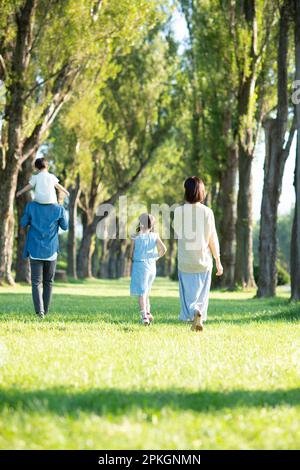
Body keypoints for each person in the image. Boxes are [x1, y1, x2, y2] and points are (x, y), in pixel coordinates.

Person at [173, 176, 223, 332]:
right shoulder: (207, 212)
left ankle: (195, 312)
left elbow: (177, 233)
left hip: (185, 261)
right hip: (204, 261)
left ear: (186, 192)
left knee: (187, 295)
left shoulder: (178, 211)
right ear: (202, 192)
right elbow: (212, 238)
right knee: (202, 294)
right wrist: (218, 260)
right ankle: (199, 312)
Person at [21, 200, 68, 318]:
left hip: (35, 249)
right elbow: (65, 226)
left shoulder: (31, 206)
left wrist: (29, 216)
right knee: (48, 282)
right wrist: (62, 213)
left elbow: (23, 223)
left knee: (36, 282)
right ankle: (45, 311)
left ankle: (40, 312)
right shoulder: (59, 209)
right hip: (51, 250)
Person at [130, 213, 167, 325]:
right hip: (151, 267)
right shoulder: (155, 236)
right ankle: (148, 312)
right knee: (147, 291)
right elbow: (164, 249)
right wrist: (155, 257)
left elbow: (131, 252)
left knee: (141, 292)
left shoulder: (135, 236)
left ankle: (144, 316)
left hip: (140, 266)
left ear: (141, 223)